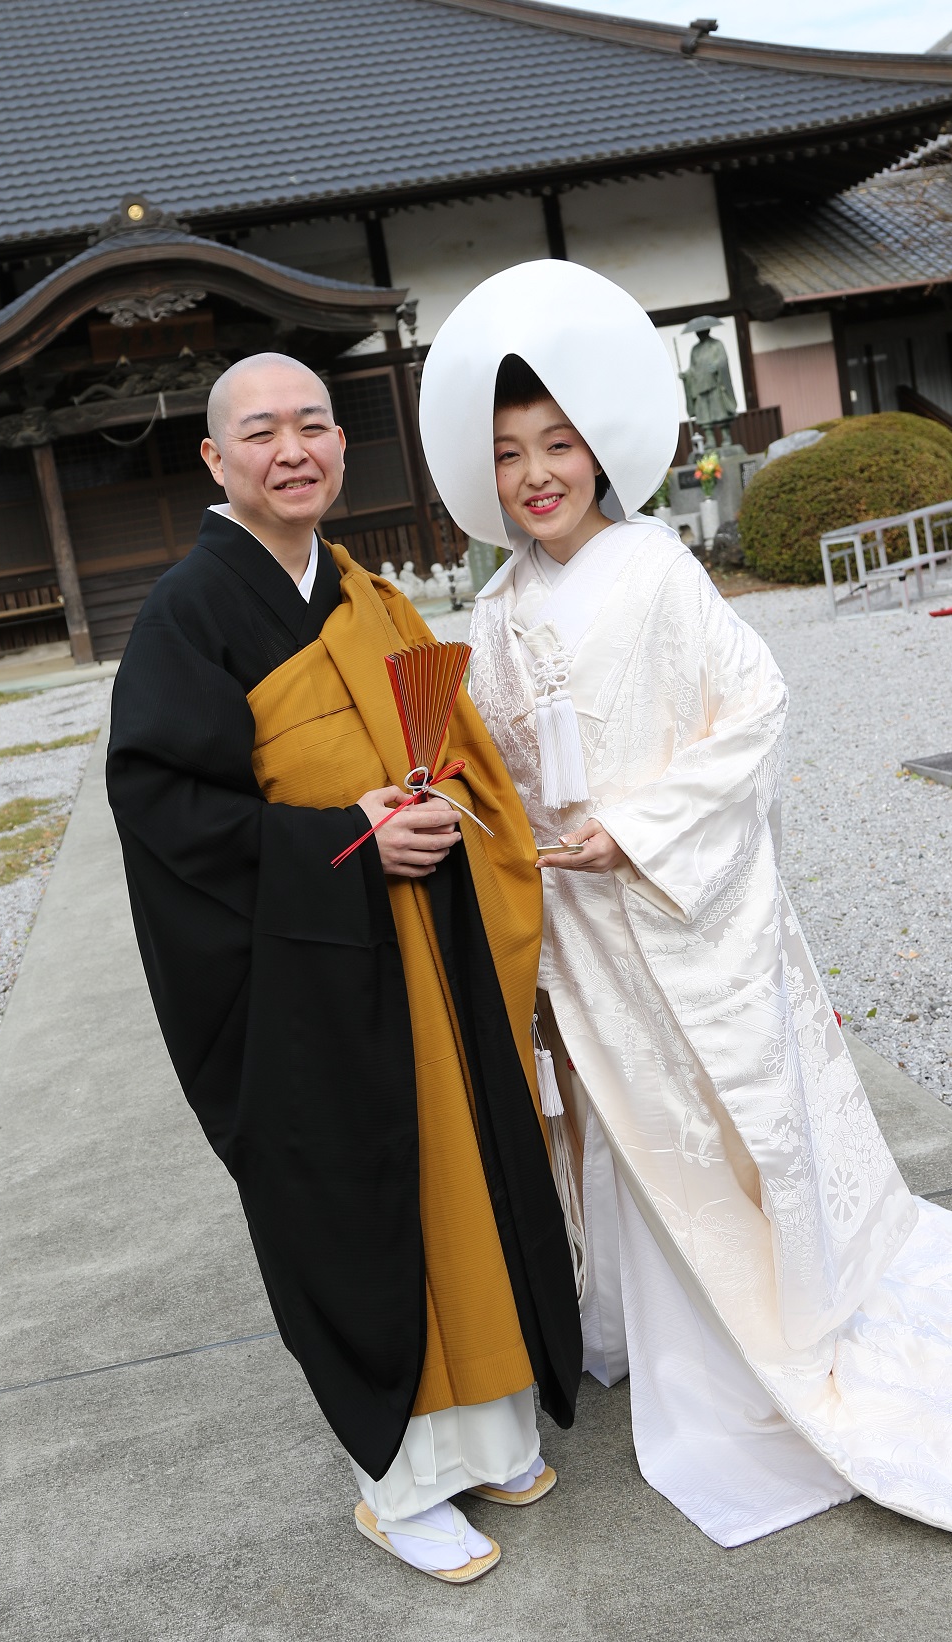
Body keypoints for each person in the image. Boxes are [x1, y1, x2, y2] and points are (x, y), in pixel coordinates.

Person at [418, 260, 952, 1547]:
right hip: (583, 935)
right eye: (507, 453)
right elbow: (495, 766)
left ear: (603, 449)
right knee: (626, 1132)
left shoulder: (656, 568)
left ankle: (771, 1331)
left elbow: (755, 712)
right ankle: (665, 1338)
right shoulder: (489, 610)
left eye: (558, 443)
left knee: (723, 1117)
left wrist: (642, 828)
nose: (538, 472)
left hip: (681, 904)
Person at [106, 352, 581, 1581]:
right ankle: (402, 1480)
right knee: (369, 1202)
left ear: (341, 444)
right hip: (309, 972)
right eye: (260, 431)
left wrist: (434, 812)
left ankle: (492, 1424)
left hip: (426, 943)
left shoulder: (366, 591)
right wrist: (347, 838)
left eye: (314, 423)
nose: (294, 448)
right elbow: (164, 813)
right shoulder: (190, 613)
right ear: (217, 461)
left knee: (466, 1169)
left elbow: (457, 749)